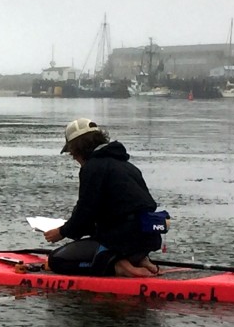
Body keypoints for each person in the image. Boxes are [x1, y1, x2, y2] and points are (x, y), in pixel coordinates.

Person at [43, 117, 164, 277]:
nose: (72, 156)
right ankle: (139, 259)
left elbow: (86, 211)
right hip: (148, 238)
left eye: (71, 150)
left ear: (79, 147)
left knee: (57, 260)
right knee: (112, 232)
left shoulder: (92, 167)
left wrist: (62, 231)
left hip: (122, 239)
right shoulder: (127, 166)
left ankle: (120, 266)